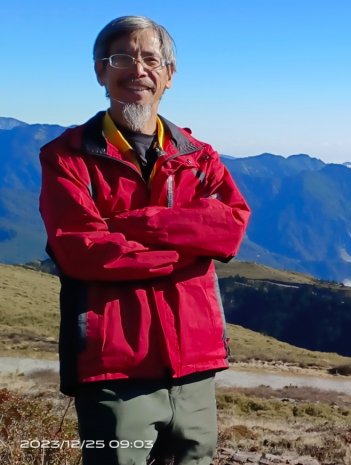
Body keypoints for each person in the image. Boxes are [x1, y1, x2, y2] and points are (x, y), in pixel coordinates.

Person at [38, 16, 250, 465]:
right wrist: (187, 246)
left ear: (169, 77)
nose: (138, 69)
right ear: (100, 72)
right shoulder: (67, 157)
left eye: (151, 59)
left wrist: (137, 225)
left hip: (195, 363)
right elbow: (80, 250)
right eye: (122, 58)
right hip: (114, 367)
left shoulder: (198, 156)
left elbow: (230, 227)